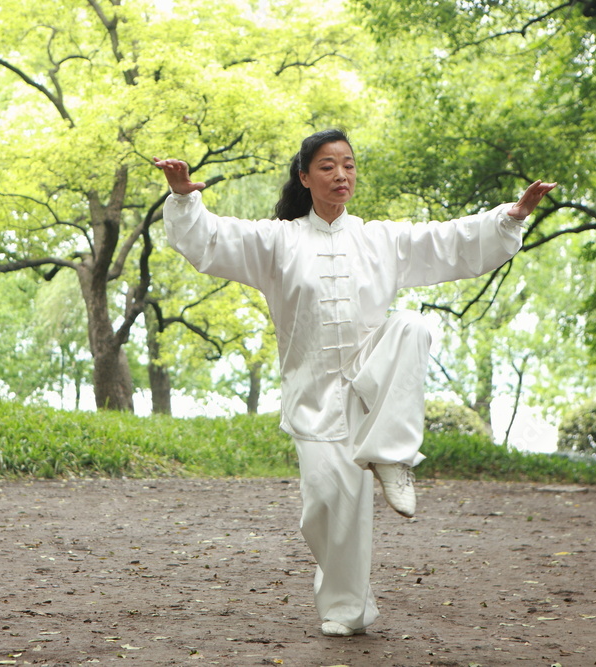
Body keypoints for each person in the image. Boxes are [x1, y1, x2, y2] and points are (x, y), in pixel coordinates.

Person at [154, 129, 556, 638]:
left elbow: (448, 241)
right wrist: (184, 197)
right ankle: (348, 609)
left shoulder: (379, 238)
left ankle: (393, 454)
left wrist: (510, 217)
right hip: (312, 395)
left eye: (348, 164)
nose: (341, 174)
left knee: (411, 325)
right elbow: (212, 240)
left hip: (373, 385)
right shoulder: (277, 240)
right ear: (304, 176)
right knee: (326, 506)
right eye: (327, 166)